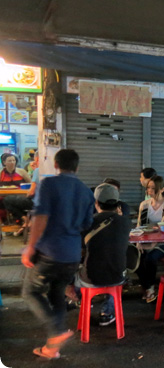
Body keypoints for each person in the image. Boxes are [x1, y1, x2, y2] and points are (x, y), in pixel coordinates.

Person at [21, 149, 95, 360]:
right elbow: (86, 225)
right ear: (77, 167)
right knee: (57, 294)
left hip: (49, 253)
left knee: (30, 292)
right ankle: (52, 348)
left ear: (56, 165)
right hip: (71, 255)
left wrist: (31, 247)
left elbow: (40, 218)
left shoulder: (49, 184)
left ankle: (57, 332)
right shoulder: (86, 192)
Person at [69, 183, 131, 326]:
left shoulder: (87, 222)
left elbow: (77, 248)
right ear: (117, 203)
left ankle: (81, 300)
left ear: (96, 203)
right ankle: (107, 313)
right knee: (112, 267)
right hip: (118, 277)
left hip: (91, 278)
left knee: (77, 270)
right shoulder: (126, 223)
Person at [136, 175, 164, 302]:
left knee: (150, 257)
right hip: (146, 240)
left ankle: (150, 288)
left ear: (162, 189)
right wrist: (139, 242)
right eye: (148, 188)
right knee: (135, 258)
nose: (150, 191)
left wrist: (152, 244)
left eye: (153, 188)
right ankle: (148, 287)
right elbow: (139, 226)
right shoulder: (144, 205)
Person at [1, 153, 33, 227]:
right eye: (9, 161)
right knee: (4, 201)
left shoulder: (21, 172)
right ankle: (17, 221)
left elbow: (30, 184)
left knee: (7, 201)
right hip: (4, 196)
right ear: (4, 162)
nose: (12, 162)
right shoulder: (1, 173)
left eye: (13, 160)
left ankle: (21, 220)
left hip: (21, 196)